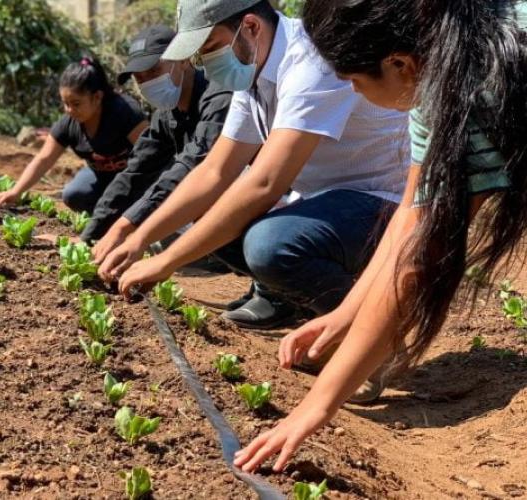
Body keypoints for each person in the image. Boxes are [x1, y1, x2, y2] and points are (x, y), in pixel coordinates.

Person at [231, 0, 527, 475]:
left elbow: (420, 256)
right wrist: (344, 315)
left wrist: (317, 405)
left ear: (398, 64)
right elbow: (411, 214)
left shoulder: (483, 82)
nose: (353, 91)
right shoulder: (437, 71)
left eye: (353, 80)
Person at [105, 0, 408, 336]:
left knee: (270, 245)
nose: (206, 62)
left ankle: (371, 332)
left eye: (211, 46)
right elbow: (215, 170)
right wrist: (139, 237)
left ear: (250, 27)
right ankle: (290, 299)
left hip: (385, 203)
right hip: (322, 201)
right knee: (210, 212)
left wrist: (166, 262)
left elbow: (265, 183)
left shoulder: (312, 62)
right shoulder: (254, 70)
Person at [81, 25, 233, 260]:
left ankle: (226, 257)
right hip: (209, 196)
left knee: (178, 228)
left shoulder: (218, 97)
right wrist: (92, 235)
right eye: (139, 78)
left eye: (154, 71)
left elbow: (193, 164)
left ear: (183, 59)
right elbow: (136, 171)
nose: (147, 83)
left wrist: (126, 225)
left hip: (250, 197)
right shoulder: (167, 112)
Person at [0, 56, 148, 214]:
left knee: (138, 205)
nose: (69, 110)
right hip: (102, 178)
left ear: (97, 97)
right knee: (74, 195)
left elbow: (153, 154)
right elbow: (44, 159)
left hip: (136, 179)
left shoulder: (125, 113)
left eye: (76, 104)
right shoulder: (69, 123)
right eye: (65, 103)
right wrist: (16, 191)